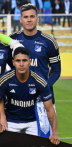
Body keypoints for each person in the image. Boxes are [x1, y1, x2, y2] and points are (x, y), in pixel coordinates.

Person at [0, 47, 60, 145]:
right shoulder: (5, 79)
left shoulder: (40, 81)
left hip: (32, 122)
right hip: (11, 121)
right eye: (18, 61)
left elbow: (49, 109)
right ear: (13, 62)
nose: (21, 64)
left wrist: (55, 133)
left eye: (24, 60)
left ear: (30, 62)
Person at [10, 4, 61, 138]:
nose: (29, 20)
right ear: (20, 19)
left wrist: (44, 88)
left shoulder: (49, 41)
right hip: (18, 99)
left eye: (32, 16)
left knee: (45, 145)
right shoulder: (12, 40)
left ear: (37, 19)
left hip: (43, 101)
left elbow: (56, 71)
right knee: (16, 145)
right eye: (25, 17)